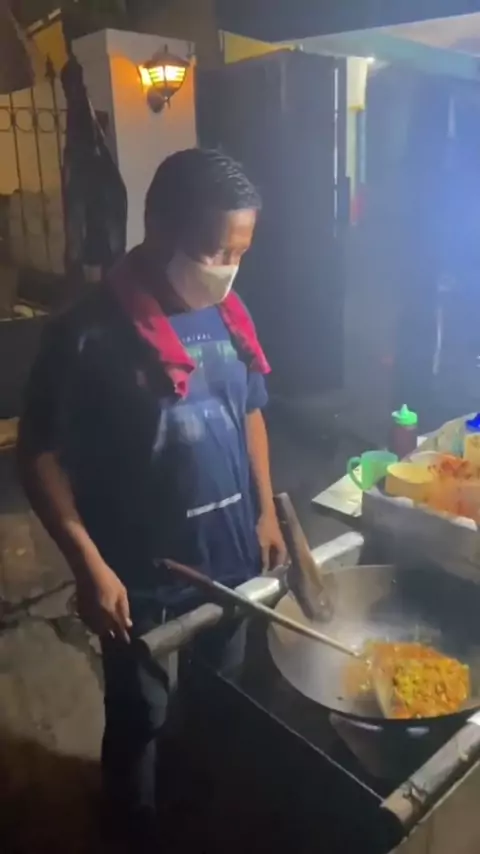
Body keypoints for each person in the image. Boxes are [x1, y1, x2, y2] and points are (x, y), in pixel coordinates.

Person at [17, 148, 286, 849]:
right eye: (214, 250)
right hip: (138, 581)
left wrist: (264, 509)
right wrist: (89, 567)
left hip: (230, 559)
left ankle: (195, 808)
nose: (228, 268)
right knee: (140, 717)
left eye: (241, 252)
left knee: (218, 699)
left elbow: (250, 410)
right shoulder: (84, 332)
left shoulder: (229, 314)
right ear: (159, 229)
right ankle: (131, 828)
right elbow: (38, 456)